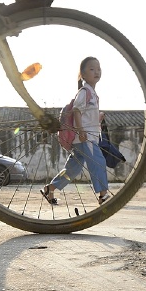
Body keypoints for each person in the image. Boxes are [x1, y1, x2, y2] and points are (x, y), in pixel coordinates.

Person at [41, 57, 112, 206]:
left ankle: (50, 188)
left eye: (99, 69)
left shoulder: (92, 93)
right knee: (98, 162)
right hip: (85, 138)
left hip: (82, 138)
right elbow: (77, 111)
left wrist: (98, 118)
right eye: (92, 69)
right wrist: (80, 131)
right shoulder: (85, 91)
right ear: (83, 75)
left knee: (73, 169)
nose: (97, 71)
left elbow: (86, 116)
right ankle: (103, 195)